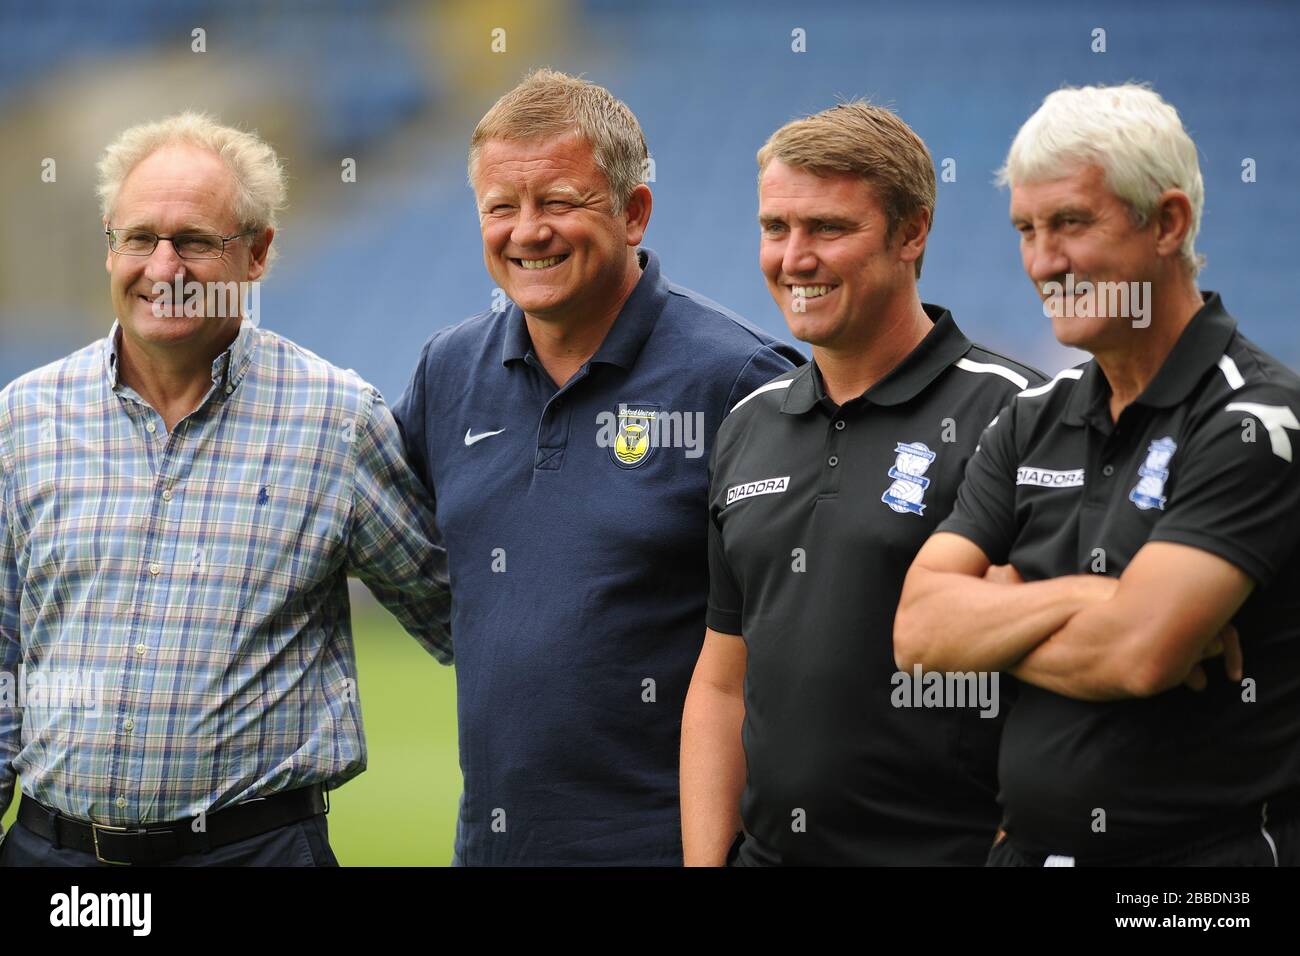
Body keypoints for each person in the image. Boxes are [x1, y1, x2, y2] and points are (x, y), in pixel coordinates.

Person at [0, 112, 451, 867]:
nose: (164, 268)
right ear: (110, 242)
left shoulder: (336, 423)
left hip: (253, 853)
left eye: (196, 242)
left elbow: (467, 617)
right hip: (57, 861)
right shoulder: (24, 417)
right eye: (141, 237)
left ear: (258, 252)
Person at [392, 69, 802, 866]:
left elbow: (797, 639)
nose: (527, 231)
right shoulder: (448, 373)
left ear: (634, 211)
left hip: (676, 848)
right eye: (501, 207)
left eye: (559, 202)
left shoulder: (742, 380)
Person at [894, 84, 1300, 866]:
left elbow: (1140, 653)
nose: (1046, 261)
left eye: (1072, 223)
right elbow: (916, 632)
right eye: (1027, 229)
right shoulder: (1030, 417)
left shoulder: (1258, 418)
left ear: (1168, 223)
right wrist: (1092, 597)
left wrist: (1002, 614)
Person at [680, 101, 1044, 866]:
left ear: (912, 233)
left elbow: (1065, 691)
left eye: (828, 229)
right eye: (776, 228)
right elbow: (721, 682)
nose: (794, 257)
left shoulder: (1018, 415)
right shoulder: (748, 426)